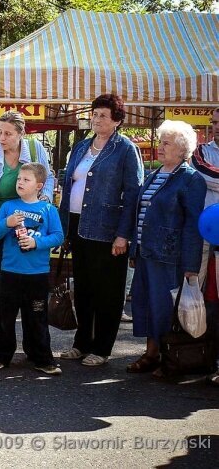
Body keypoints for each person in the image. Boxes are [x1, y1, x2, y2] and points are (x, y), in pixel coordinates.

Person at [58, 94, 143, 366]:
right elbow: (69, 183)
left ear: (117, 121)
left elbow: (133, 194)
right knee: (83, 289)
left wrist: (123, 234)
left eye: (103, 115)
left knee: (108, 292)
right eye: (94, 114)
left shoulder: (125, 149)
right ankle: (82, 342)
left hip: (108, 232)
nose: (96, 119)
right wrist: (64, 229)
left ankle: (102, 348)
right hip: (77, 226)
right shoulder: (82, 146)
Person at [0, 110, 54, 362]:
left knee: (33, 293)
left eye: (8, 133)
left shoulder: (36, 149)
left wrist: (43, 203)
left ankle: (35, 349)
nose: (2, 137)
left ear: (21, 134)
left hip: (30, 228)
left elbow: (48, 178)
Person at [126, 120, 205, 375]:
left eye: (166, 143)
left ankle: (170, 357)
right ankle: (151, 353)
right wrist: (134, 250)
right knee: (145, 304)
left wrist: (191, 266)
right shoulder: (154, 174)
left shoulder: (190, 179)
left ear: (182, 149)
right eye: (161, 142)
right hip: (146, 252)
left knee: (165, 308)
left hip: (169, 255)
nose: (160, 147)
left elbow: (193, 225)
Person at [0, 163, 64, 375]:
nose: (20, 182)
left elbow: (58, 236)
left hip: (37, 274)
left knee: (37, 317)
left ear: (39, 185)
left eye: (26, 180)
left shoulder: (48, 210)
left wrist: (36, 243)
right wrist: (7, 223)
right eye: (19, 178)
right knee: (5, 316)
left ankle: (42, 357)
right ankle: (1, 355)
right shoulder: (8, 207)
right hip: (10, 272)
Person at [191, 107, 219, 385]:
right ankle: (196, 353)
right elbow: (205, 175)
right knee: (198, 293)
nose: (216, 127)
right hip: (203, 233)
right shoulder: (201, 151)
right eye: (213, 123)